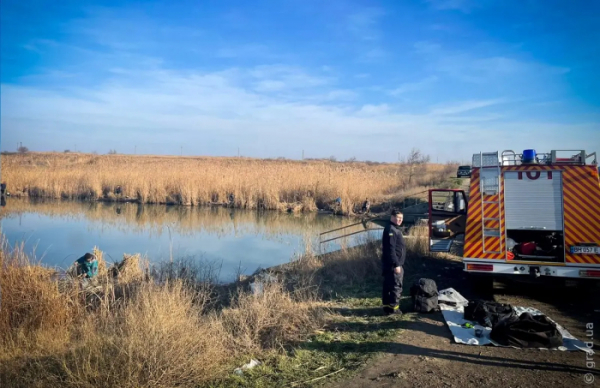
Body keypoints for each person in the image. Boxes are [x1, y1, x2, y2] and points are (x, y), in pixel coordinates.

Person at [381, 209, 406, 315]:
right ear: (392, 217)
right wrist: (396, 264)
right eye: (398, 218)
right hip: (393, 264)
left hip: (389, 264)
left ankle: (387, 307)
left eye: (401, 218)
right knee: (396, 286)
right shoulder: (392, 230)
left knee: (388, 285)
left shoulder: (391, 228)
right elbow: (390, 249)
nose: (400, 220)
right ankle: (394, 309)